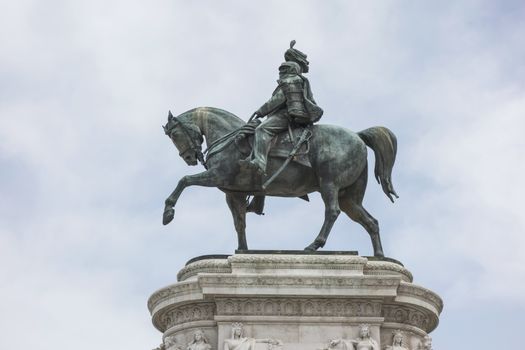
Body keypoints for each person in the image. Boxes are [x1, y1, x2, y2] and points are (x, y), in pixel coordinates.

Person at [239, 41, 322, 176]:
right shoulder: (300, 80)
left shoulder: (289, 81)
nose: (280, 74)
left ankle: (259, 162)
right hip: (290, 115)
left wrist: (260, 111)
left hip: (285, 116)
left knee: (261, 129)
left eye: (282, 70)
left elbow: (277, 100)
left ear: (289, 69)